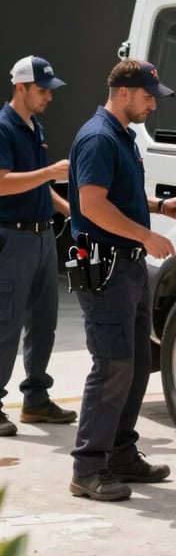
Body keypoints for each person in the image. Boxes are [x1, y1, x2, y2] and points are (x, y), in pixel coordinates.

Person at [67, 59, 176, 502]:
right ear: (123, 92)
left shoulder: (121, 135)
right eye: (147, 97)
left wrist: (160, 207)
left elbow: (119, 196)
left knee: (138, 362)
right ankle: (88, 468)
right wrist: (146, 234)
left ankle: (120, 453)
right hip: (105, 268)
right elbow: (92, 204)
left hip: (127, 265)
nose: (151, 106)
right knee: (113, 364)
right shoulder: (99, 137)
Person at [0, 55, 76, 437]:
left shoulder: (35, 126)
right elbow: (1, 183)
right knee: (6, 321)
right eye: (42, 90)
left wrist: (71, 212)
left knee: (44, 321)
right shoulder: (3, 128)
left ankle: (35, 399)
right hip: (12, 237)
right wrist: (48, 172)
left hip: (42, 235)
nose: (48, 96)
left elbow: (40, 187)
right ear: (21, 87)